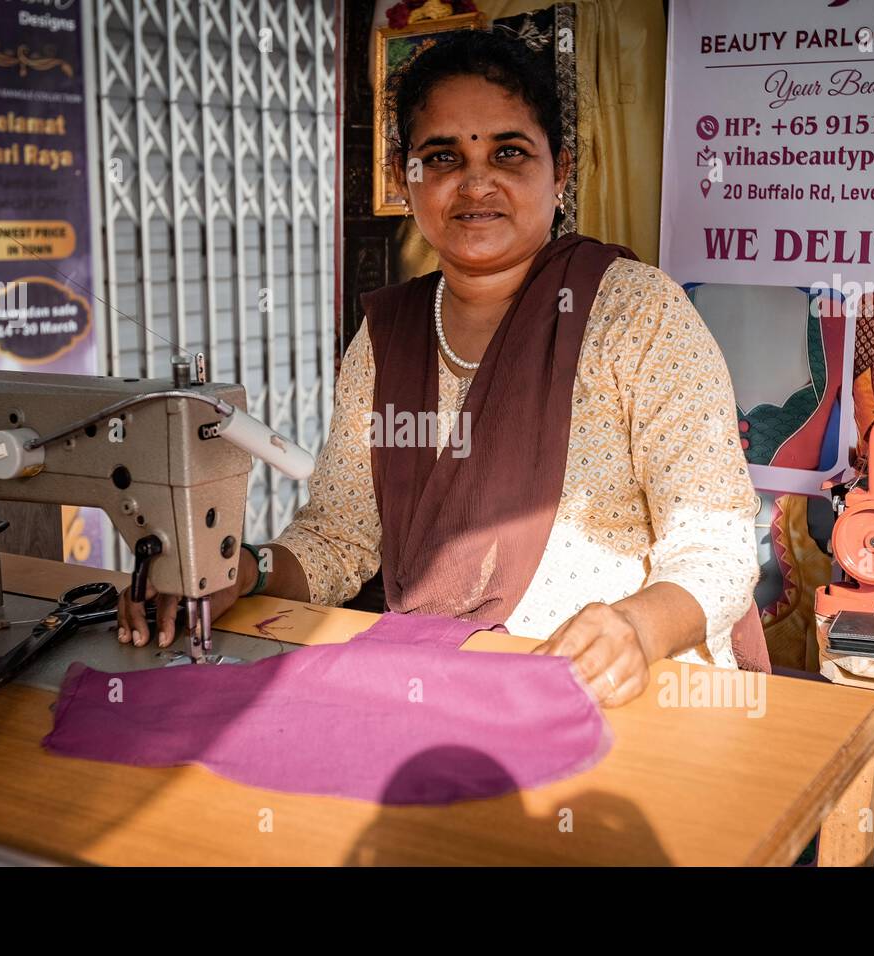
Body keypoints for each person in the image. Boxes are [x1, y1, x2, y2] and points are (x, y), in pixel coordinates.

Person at [118, 31, 760, 707]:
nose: (477, 182)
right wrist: (237, 570)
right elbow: (341, 536)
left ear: (561, 170)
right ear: (405, 178)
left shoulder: (634, 313)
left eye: (509, 153)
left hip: (621, 697)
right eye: (442, 156)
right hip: (437, 689)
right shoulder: (387, 336)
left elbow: (716, 548)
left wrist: (635, 626)